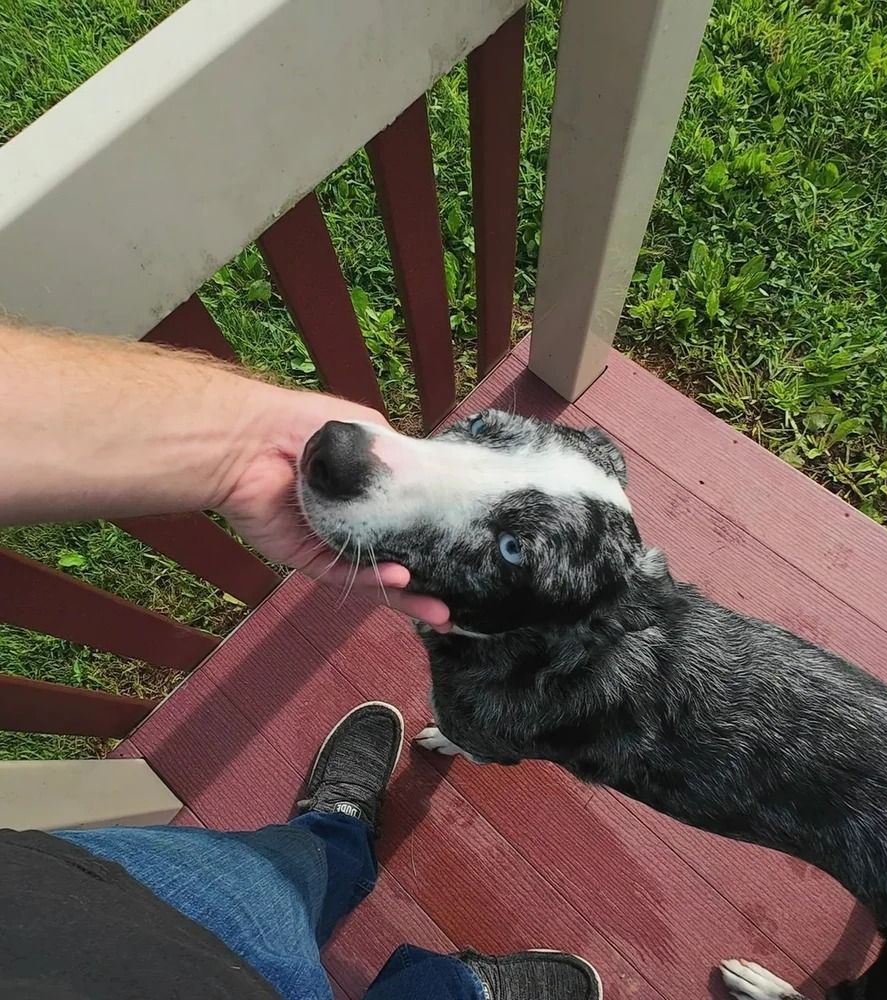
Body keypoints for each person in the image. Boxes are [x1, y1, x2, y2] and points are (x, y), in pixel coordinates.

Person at [0, 322, 602, 1000]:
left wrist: (240, 447)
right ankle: (458, 989)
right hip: (114, 932)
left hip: (58, 907)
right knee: (265, 893)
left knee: (271, 873)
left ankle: (333, 835)